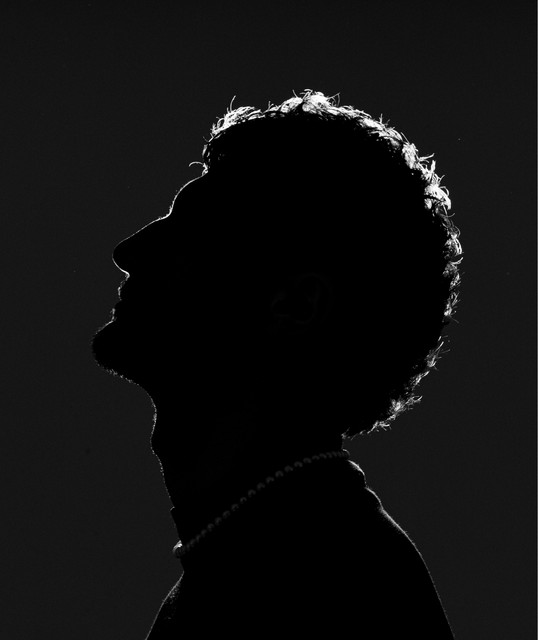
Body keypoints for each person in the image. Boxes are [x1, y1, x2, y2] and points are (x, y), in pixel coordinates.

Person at [91, 90, 462, 637]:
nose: (129, 250)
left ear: (295, 305)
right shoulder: (255, 561)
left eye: (190, 230)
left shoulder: (333, 588)